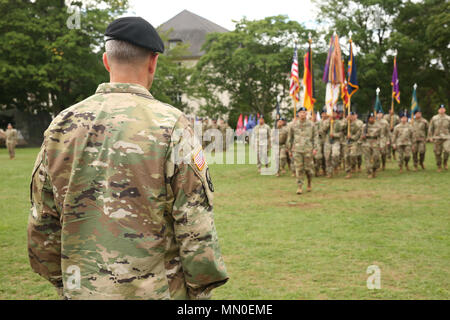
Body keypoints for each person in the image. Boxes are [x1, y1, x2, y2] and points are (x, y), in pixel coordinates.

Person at [28, 17, 228, 300]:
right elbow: (194, 220)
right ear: (153, 62)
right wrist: (200, 290)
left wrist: (67, 284)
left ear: (106, 61)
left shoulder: (61, 125)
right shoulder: (172, 125)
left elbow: (42, 223)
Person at [287, 108, 317, 194]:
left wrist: (315, 148)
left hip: (308, 149)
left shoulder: (311, 125)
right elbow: (290, 138)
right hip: (297, 149)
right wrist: (289, 149)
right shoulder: (293, 125)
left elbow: (315, 137)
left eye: (304, 112)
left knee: (308, 169)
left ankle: (309, 183)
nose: (302, 114)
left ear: (306, 114)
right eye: (301, 113)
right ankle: (299, 186)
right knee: (299, 168)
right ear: (298, 114)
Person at [321, 109, 344, 178]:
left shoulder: (339, 123)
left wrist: (334, 135)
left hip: (335, 141)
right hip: (327, 142)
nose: (333, 114)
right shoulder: (325, 122)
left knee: (335, 155)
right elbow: (323, 130)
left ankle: (335, 166)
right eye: (332, 113)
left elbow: (341, 133)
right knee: (327, 158)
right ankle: (329, 172)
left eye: (334, 113)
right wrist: (329, 122)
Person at [428, 104, 450, 172]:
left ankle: (445, 162)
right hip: (437, 137)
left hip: (446, 137)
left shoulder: (448, 118)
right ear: (438, 110)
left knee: (447, 150)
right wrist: (430, 137)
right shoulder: (434, 118)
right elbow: (430, 128)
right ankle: (439, 166)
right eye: (440, 109)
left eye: (443, 109)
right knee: (437, 153)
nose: (442, 110)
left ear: (445, 110)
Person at [361, 113, 381, 178]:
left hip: (375, 142)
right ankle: (369, 172)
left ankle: (374, 169)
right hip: (367, 142)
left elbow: (381, 136)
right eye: (370, 118)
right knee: (367, 158)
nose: (372, 119)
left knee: (376, 157)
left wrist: (381, 144)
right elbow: (361, 135)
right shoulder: (364, 126)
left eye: (373, 118)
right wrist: (363, 137)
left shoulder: (378, 126)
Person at [343, 112, 362, 179]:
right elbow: (341, 128)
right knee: (346, 157)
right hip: (346, 142)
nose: (351, 117)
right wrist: (346, 120)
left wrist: (352, 137)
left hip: (354, 142)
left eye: (352, 115)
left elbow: (359, 131)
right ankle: (348, 172)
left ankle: (353, 166)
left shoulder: (357, 123)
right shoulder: (346, 122)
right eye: (350, 115)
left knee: (353, 155)